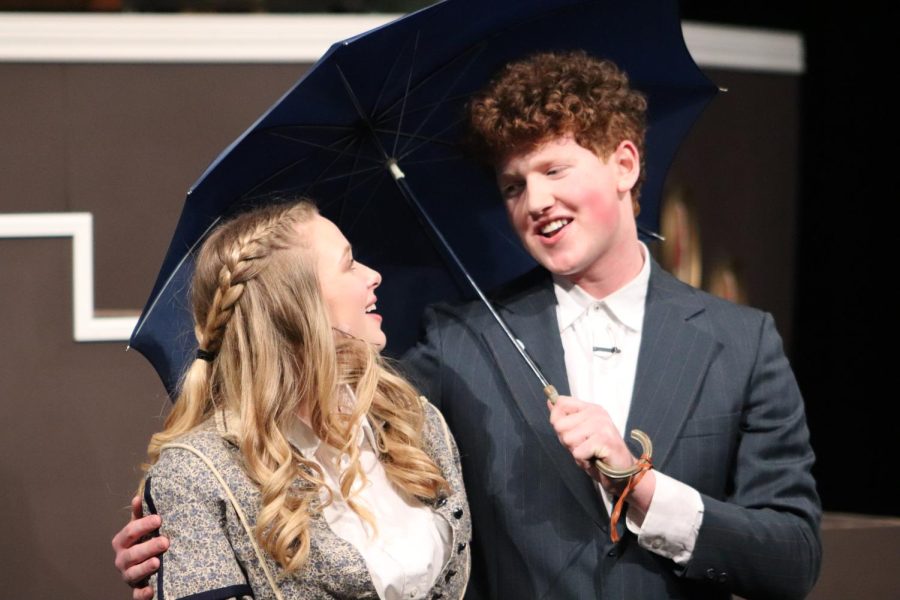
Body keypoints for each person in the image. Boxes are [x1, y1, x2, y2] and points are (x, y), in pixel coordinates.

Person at [115, 52, 820, 599]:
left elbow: (791, 558)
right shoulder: (462, 339)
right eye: (513, 185)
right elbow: (306, 418)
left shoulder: (742, 341)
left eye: (554, 169)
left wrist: (645, 491)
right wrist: (172, 526)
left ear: (625, 164)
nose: (535, 200)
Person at [123, 200, 470, 600]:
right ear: (296, 305)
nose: (373, 276)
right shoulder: (197, 473)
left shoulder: (415, 423)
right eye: (349, 263)